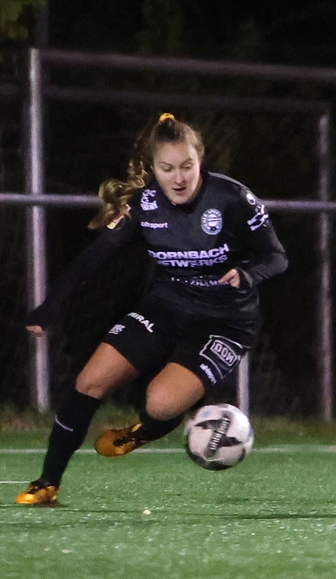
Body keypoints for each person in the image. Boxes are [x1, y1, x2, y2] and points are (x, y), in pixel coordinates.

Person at [15, 113, 288, 505]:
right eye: (167, 168)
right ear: (154, 169)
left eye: (187, 167)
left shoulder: (233, 199)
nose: (179, 178)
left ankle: (142, 432)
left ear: (201, 160)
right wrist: (50, 306)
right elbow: (94, 258)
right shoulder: (143, 205)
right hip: (166, 308)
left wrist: (247, 274)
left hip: (225, 323)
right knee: (89, 382)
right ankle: (47, 482)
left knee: (161, 404)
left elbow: (277, 257)